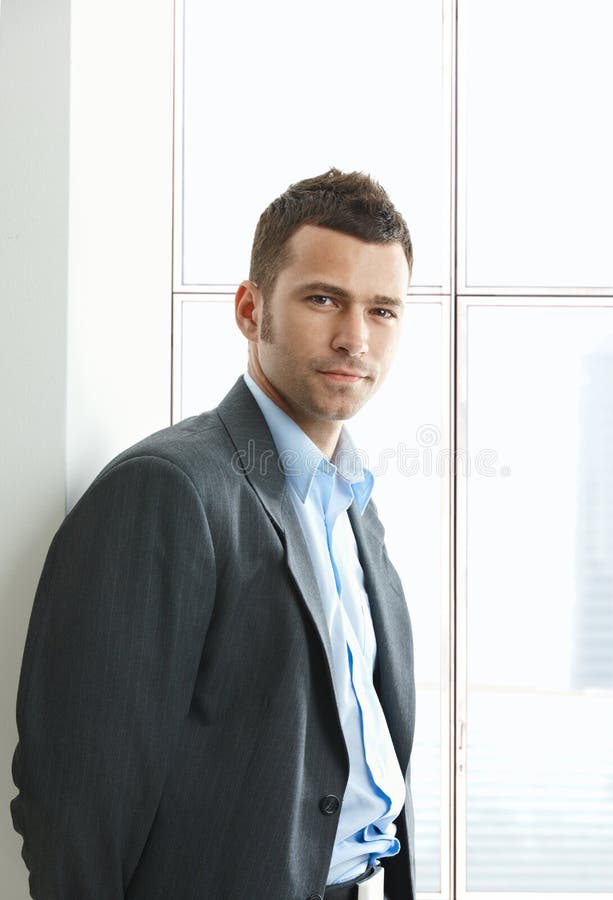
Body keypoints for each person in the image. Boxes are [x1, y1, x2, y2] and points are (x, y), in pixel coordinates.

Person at [11, 169, 416, 900]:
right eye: (324, 298)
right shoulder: (167, 490)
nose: (354, 337)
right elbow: (75, 807)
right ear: (249, 309)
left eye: (382, 310)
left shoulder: (355, 500)